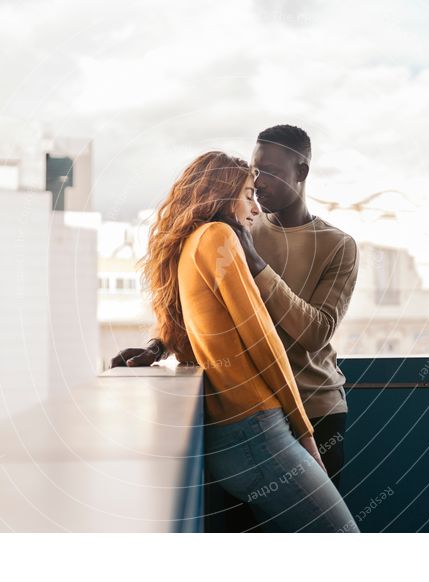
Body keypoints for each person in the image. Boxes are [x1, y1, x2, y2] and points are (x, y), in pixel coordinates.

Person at [112, 126, 360, 530]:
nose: (259, 187)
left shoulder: (337, 245)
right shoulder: (233, 226)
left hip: (314, 406)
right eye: (255, 174)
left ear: (302, 171)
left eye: (271, 173)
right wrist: (159, 347)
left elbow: (316, 332)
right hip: (257, 413)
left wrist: (256, 266)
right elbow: (208, 308)